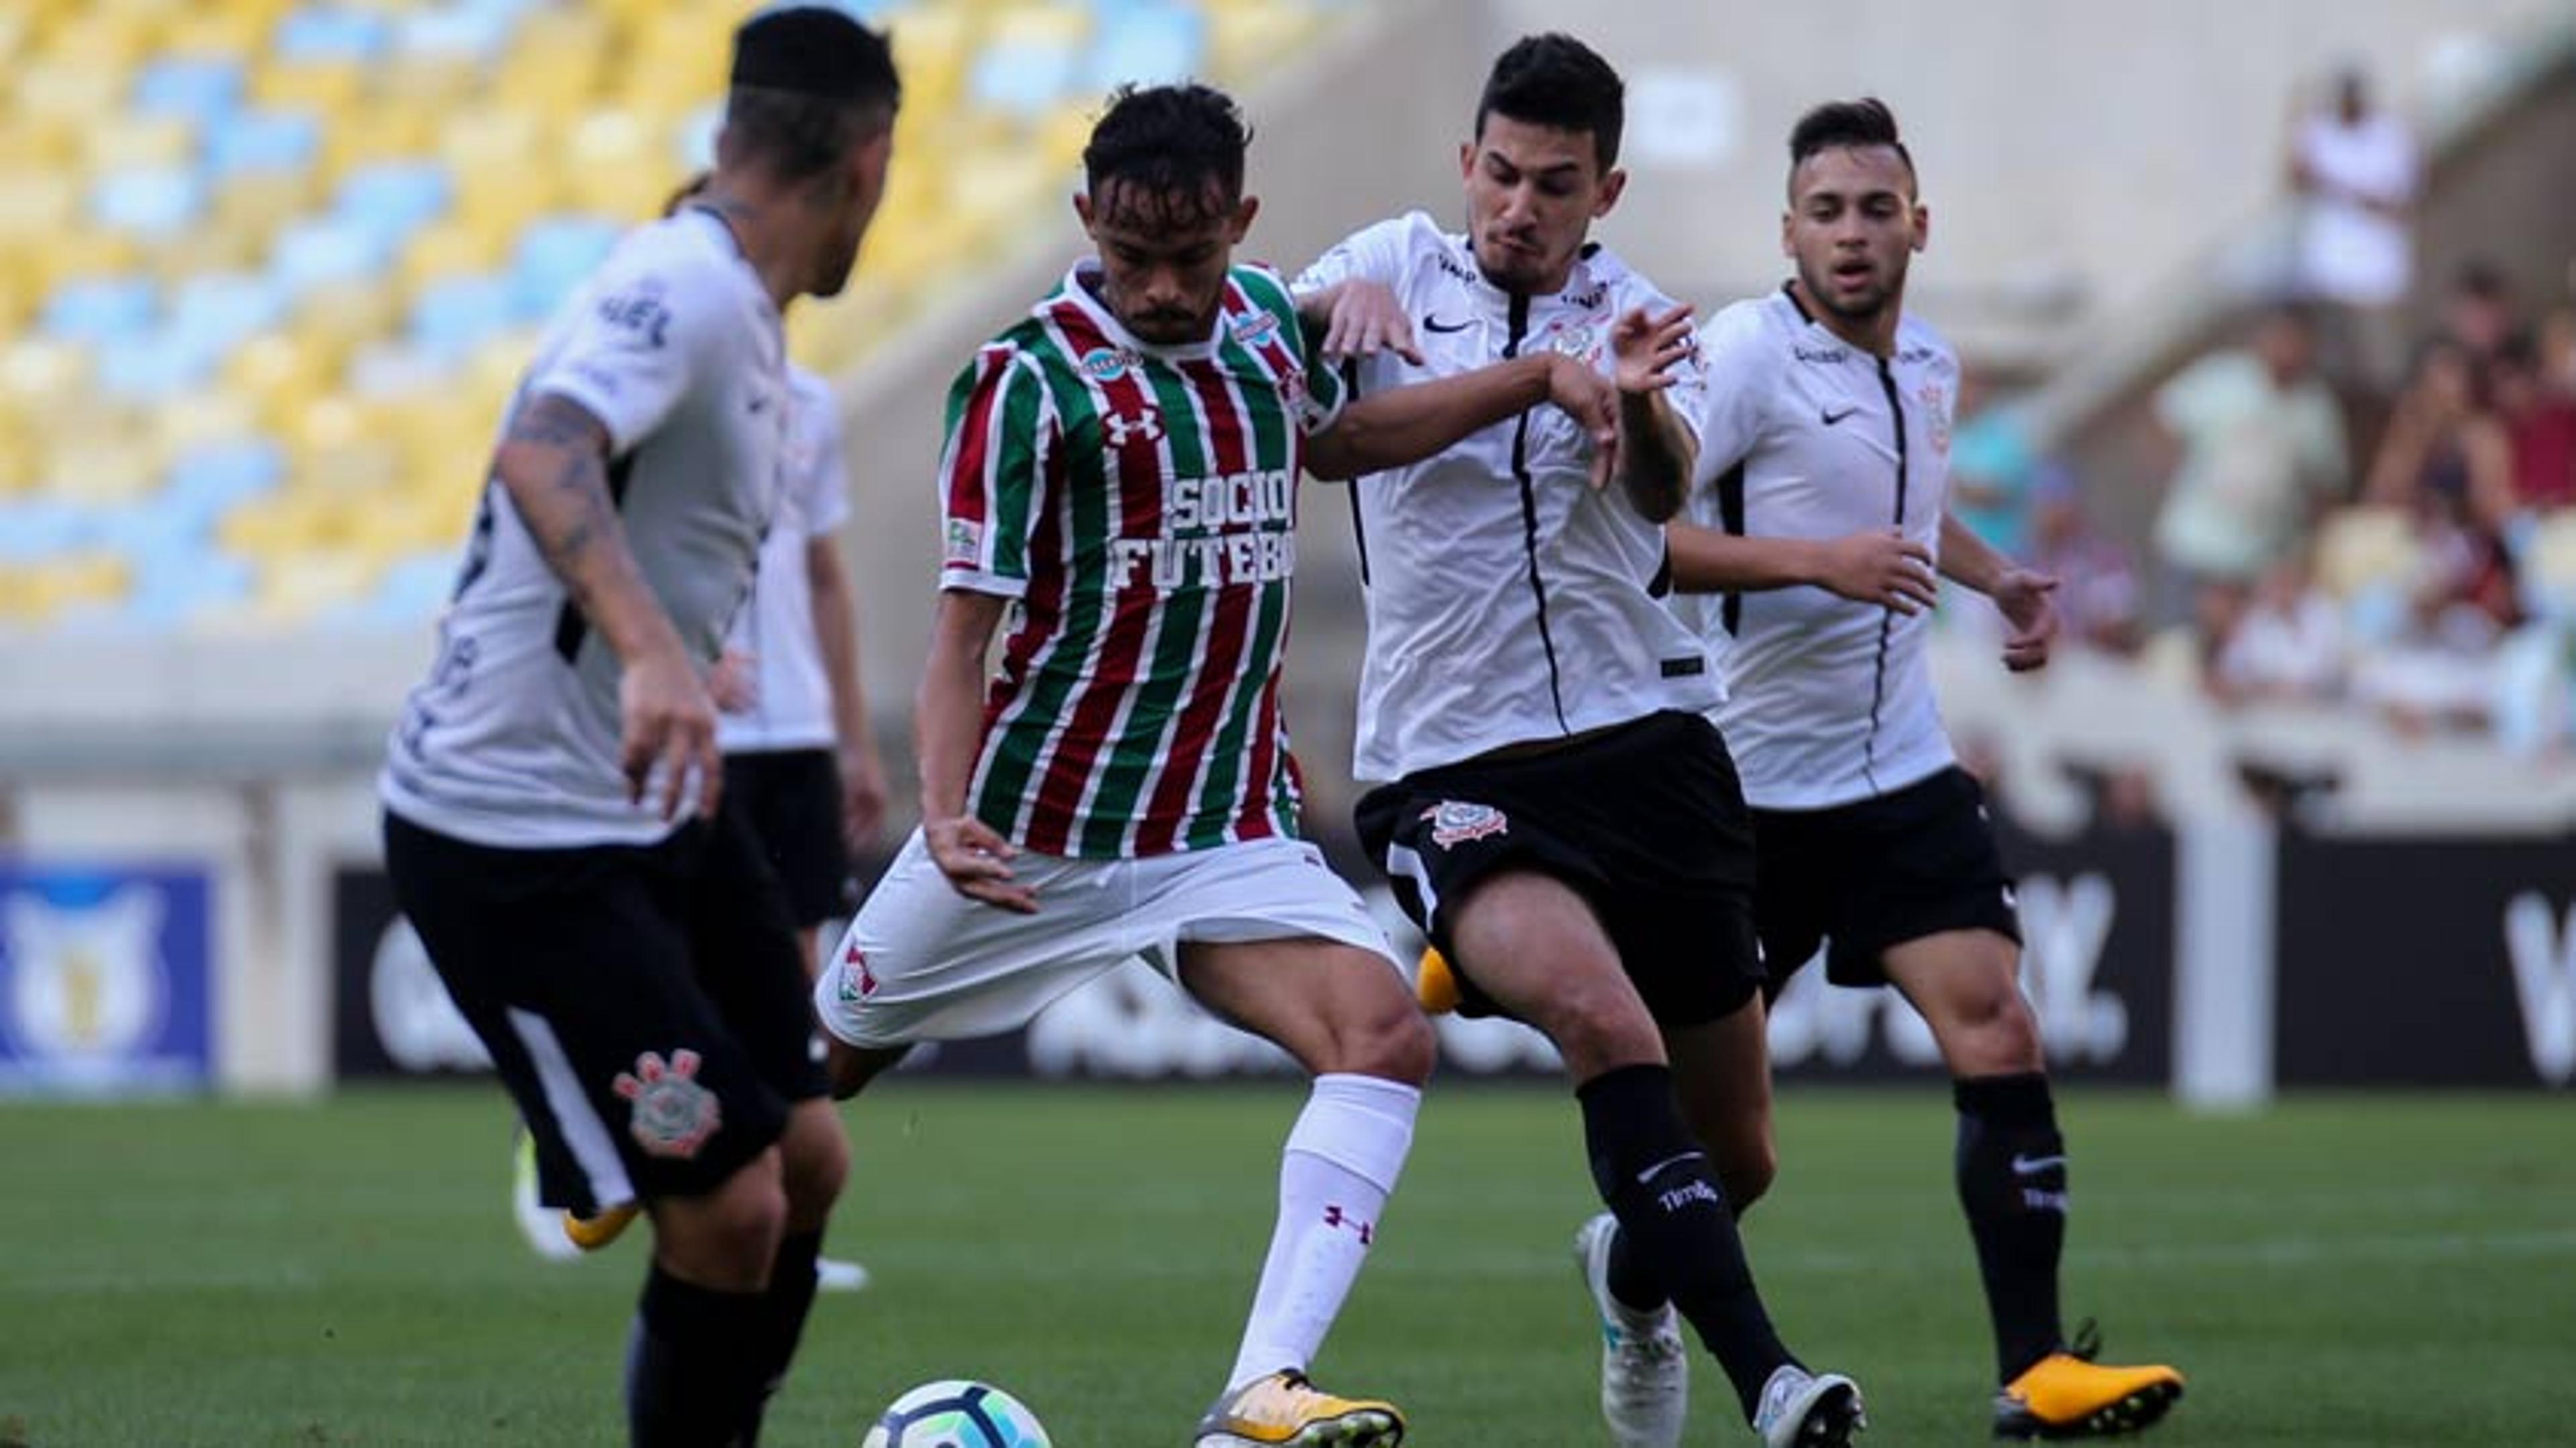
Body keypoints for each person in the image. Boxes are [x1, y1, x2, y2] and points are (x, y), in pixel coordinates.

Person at [809, 81, 1628, 1448]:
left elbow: (1345, 440)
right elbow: (966, 636)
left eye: (1193, 257)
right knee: (819, 1070)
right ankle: (628, 1155)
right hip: (1033, 829)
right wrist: (942, 813)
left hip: (1218, 830)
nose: (1168, 287)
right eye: (1135, 260)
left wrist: (1535, 376)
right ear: (1089, 225)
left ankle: (1259, 1387)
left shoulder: (1262, 327)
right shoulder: (1027, 384)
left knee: (1382, 1031)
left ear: (1242, 225)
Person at [1295, 35, 1867, 1448]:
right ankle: (1776, 1381)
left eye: (1556, 183)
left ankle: (1629, 1265)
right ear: (1465, 164)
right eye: (1501, 173)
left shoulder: (1640, 313)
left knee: (1737, 1155)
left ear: (1602, 188)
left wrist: (1627, 400)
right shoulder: (1387, 267)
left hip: (1649, 744)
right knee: (1602, 1021)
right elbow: (1331, 443)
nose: (1520, 207)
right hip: (1452, 763)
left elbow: (1668, 498)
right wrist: (1336, 302)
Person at [378, 10, 899, 1444]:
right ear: (871, 162)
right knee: (729, 1202)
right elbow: (541, 448)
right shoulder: (691, 285)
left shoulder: (747, 316)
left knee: (809, 1161)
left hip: (655, 804)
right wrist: (659, 650)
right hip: (514, 832)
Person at [1658, 96, 2185, 1438]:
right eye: (1825, 212)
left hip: (1898, 775)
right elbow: (1638, 537)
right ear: (1789, 230)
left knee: (2000, 1024)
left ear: (1918, 225)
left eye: (1874, 209)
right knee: (1732, 1158)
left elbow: (1900, 506)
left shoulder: (1933, 364)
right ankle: (1634, 1255)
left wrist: (2001, 577)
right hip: (1750, 792)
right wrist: (1812, 564)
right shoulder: (1741, 357)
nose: (1850, 234)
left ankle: (2035, 1368)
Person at [513, 176, 889, 1294]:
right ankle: (590, 1142)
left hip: (795, 735)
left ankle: (761, 1224)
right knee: (669, 976)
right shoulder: (641, 394)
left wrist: (852, 736)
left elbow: (822, 574)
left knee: (796, 995)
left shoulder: (807, 406)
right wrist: (667, 649)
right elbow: (585, 535)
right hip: (691, 725)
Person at [2286, 66, 2418, 388]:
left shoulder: (2390, 136)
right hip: (2327, 279)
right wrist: (2295, 121)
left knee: (2383, 377)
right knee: (2332, 379)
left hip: (2377, 283)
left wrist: (2332, 182)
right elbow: (2294, 180)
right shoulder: (2320, 133)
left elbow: (2393, 205)